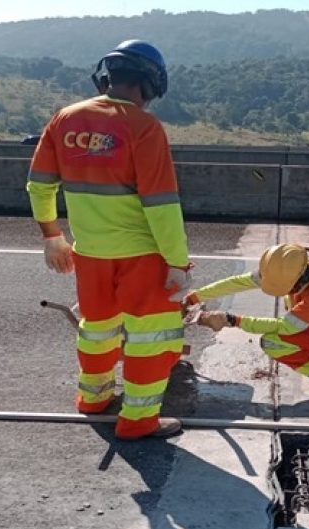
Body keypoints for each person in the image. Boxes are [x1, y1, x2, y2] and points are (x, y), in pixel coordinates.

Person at [26, 39, 192, 439]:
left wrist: (52, 236)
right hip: (142, 257)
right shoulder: (144, 127)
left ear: (106, 76)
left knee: (97, 329)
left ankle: (94, 399)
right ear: (151, 84)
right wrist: (178, 262)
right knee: (152, 340)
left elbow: (39, 186)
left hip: (90, 255)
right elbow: (161, 206)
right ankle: (138, 422)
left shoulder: (64, 119)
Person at [182, 244, 309, 397]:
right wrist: (194, 298)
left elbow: (286, 327)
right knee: (291, 312)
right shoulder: (287, 270)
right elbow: (238, 282)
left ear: (300, 280)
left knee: (274, 341)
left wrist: (232, 320)